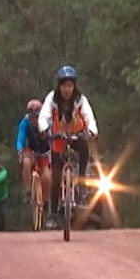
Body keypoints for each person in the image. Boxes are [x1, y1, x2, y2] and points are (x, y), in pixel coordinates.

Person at [38, 65, 98, 227]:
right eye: (64, 85)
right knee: (56, 177)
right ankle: (52, 214)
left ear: (74, 86)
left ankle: (82, 180)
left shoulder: (81, 100)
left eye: (70, 85)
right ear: (59, 86)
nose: (67, 89)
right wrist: (44, 129)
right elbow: (43, 116)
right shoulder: (52, 99)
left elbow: (89, 117)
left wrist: (91, 131)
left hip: (77, 136)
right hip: (59, 138)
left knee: (84, 147)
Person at [16, 99, 52, 217]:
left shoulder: (47, 122)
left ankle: (46, 200)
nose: (34, 120)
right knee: (26, 161)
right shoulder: (25, 123)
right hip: (31, 150)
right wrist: (20, 150)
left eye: (36, 117)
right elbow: (20, 139)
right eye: (32, 117)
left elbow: (53, 139)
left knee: (47, 176)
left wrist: (53, 152)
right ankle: (27, 191)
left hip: (45, 151)